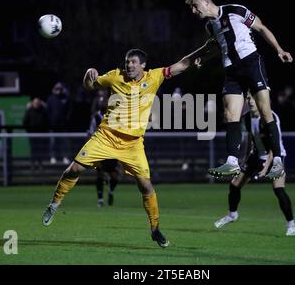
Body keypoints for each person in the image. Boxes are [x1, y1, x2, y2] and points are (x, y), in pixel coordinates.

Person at [41, 48, 197, 248]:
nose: (129, 65)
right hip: (106, 136)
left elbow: (182, 64)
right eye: (127, 62)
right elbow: (89, 86)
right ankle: (54, 204)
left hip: (133, 144)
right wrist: (88, 75)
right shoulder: (115, 76)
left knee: (146, 186)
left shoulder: (155, 76)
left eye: (133, 62)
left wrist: (205, 51)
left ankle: (155, 229)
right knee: (75, 169)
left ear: (143, 65)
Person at [184, 0, 293, 179]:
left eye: (195, 6)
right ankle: (232, 162)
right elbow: (220, 46)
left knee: (265, 111)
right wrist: (204, 57)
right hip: (232, 71)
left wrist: (279, 50)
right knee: (230, 115)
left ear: (206, 2)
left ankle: (277, 162)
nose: (193, 11)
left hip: (251, 63)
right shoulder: (210, 27)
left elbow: (261, 28)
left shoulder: (236, 10)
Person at [214, 94, 295, 236]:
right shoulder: (247, 117)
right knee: (234, 185)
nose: (250, 101)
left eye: (252, 98)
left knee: (279, 190)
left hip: (276, 156)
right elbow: (251, 140)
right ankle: (232, 214)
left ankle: (291, 225)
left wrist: (265, 169)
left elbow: (273, 148)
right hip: (256, 156)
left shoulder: (269, 117)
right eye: (248, 98)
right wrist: (245, 160)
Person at [87, 90, 122, 207]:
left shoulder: (114, 117)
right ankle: (100, 199)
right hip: (99, 150)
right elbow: (90, 133)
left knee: (114, 175)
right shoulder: (96, 117)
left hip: (111, 151)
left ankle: (111, 191)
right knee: (100, 174)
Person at [23, 97, 50, 170]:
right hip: (32, 134)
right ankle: (33, 164)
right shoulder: (29, 111)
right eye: (35, 103)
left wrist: (45, 132)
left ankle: (40, 164)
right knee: (33, 150)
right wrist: (29, 131)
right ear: (33, 103)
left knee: (40, 150)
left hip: (41, 134)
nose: (36, 104)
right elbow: (25, 122)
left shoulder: (43, 111)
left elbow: (47, 122)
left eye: (38, 103)